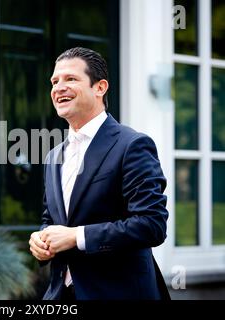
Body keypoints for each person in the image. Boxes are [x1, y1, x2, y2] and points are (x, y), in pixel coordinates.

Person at [28, 47, 170, 300]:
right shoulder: (53, 156)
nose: (59, 87)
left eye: (71, 79)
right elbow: (52, 219)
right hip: (60, 294)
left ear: (100, 87)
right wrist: (42, 239)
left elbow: (152, 224)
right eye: (54, 81)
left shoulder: (132, 145)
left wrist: (76, 237)